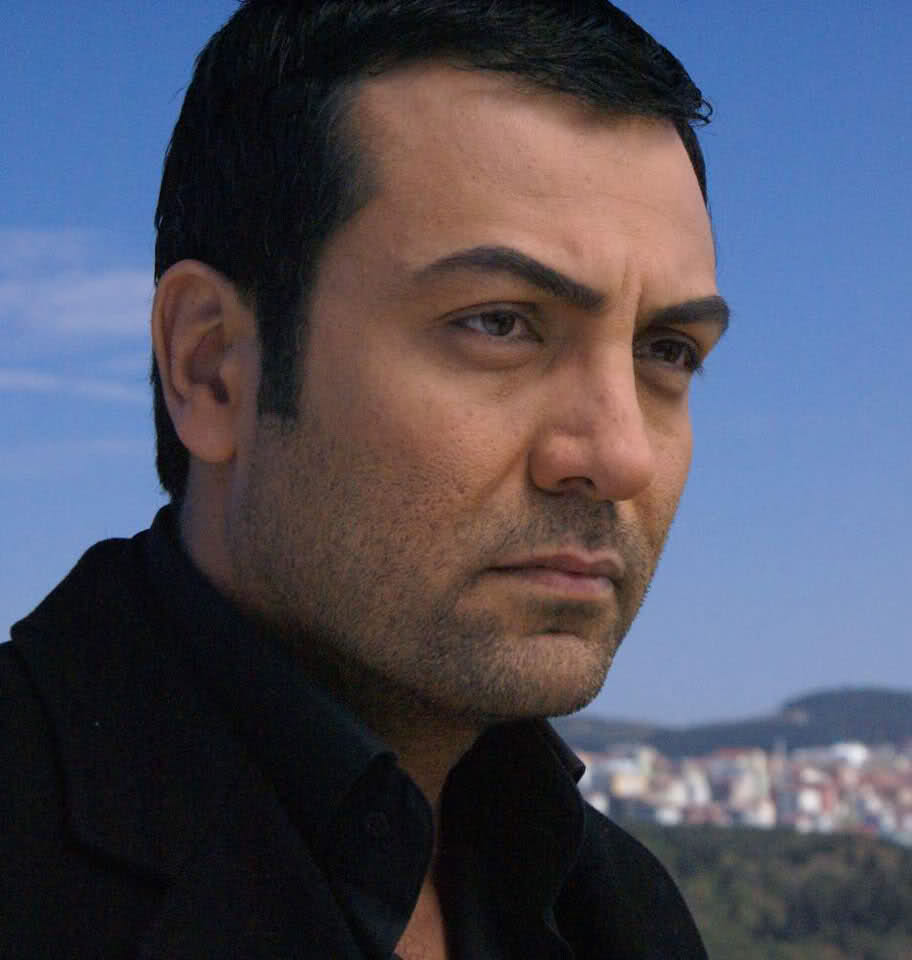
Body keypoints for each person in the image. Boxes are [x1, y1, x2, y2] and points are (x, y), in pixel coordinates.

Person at [0, 1, 729, 956]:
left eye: (667, 350)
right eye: (499, 323)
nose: (620, 455)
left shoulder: (621, 912)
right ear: (212, 369)